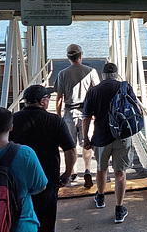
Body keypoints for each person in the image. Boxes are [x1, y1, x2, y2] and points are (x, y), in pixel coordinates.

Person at [9, 85, 77, 232]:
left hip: (17, 179)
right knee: (46, 220)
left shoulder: (12, 120)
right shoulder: (55, 121)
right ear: (42, 102)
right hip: (47, 180)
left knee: (18, 219)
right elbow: (70, 150)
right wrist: (67, 173)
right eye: (48, 98)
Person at [82, 62, 136, 223]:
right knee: (120, 173)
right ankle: (119, 210)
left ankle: (100, 197)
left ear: (103, 74)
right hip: (122, 136)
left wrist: (86, 138)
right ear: (116, 74)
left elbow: (86, 117)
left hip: (101, 137)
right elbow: (135, 111)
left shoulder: (94, 91)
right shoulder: (125, 87)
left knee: (101, 168)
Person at [54, 44, 100, 188]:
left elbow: (60, 97)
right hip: (86, 112)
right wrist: (96, 113)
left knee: (70, 145)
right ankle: (87, 169)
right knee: (86, 142)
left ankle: (72, 172)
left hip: (69, 113)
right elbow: (96, 94)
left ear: (68, 57)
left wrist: (58, 115)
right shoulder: (91, 71)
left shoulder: (62, 73)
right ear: (81, 55)